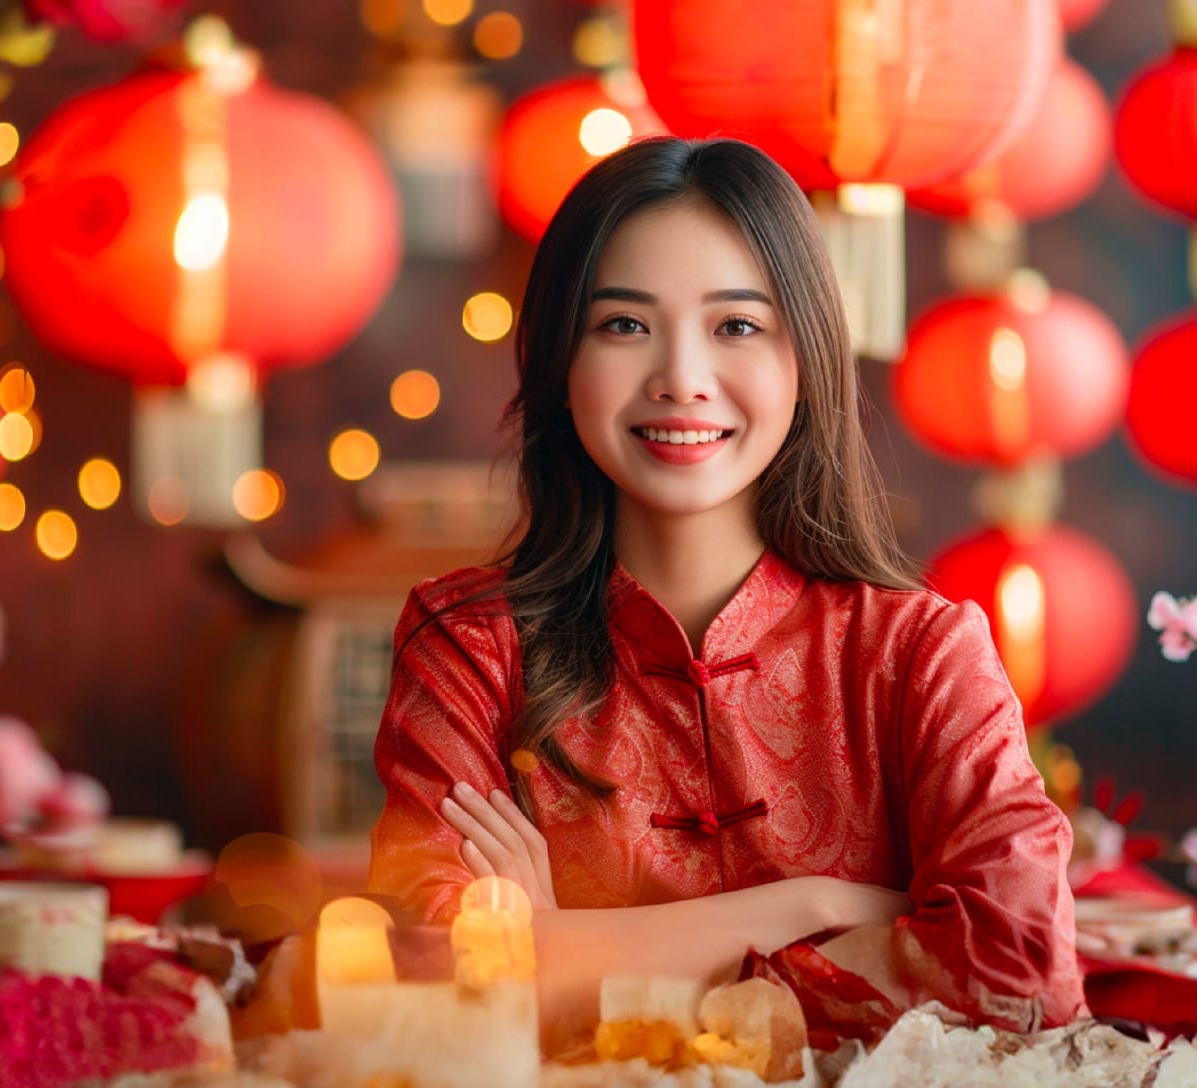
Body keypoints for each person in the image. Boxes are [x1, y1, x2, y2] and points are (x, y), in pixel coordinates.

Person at [363, 137, 1085, 1049]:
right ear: (560, 362)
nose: (681, 380)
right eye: (624, 325)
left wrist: (562, 954)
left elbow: (1021, 971)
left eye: (736, 326)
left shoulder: (923, 651)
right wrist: (816, 906)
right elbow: (426, 973)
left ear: (806, 360)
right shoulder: (471, 644)